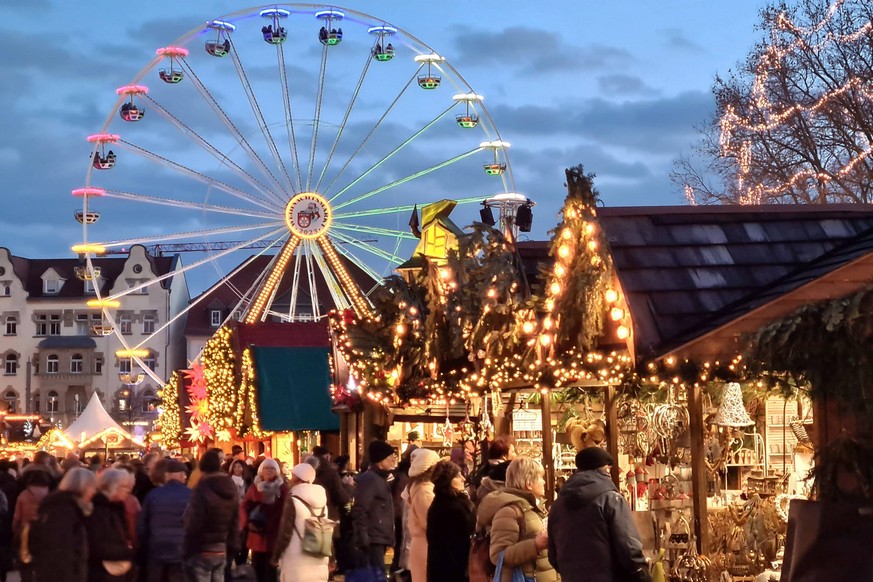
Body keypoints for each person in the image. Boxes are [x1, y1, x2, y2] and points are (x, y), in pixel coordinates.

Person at [548, 448, 650, 582]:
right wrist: (642, 573)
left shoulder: (557, 505)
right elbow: (628, 546)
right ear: (605, 470)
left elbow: (553, 556)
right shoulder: (611, 499)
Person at [476, 457, 556, 582]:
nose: (544, 482)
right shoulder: (509, 511)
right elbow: (498, 555)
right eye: (540, 478)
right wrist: (535, 545)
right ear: (529, 484)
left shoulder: (533, 507)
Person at [29, 467, 96, 582]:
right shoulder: (63, 509)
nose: (94, 492)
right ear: (83, 487)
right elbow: (60, 550)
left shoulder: (64, 506)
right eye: (92, 487)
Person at [183, 449, 241, 582]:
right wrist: (233, 543)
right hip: (222, 548)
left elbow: (193, 521)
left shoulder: (202, 488)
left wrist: (187, 549)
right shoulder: (230, 486)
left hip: (203, 548)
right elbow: (235, 518)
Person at [271, 462, 329, 581]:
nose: (290, 479)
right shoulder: (323, 503)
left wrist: (276, 555)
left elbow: (285, 532)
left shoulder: (293, 501)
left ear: (298, 478)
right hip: (319, 554)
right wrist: (331, 557)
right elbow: (327, 530)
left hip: (296, 557)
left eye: (293, 476)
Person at [137, 459, 192, 582]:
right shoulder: (190, 495)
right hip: (181, 549)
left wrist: (145, 545)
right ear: (181, 475)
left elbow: (142, 526)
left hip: (157, 548)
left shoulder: (153, 495)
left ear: (166, 475)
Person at [351, 440, 397, 577]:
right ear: (380, 460)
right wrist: (363, 537)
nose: (393, 460)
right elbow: (361, 509)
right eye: (390, 457)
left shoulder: (380, 479)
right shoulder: (371, 480)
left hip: (378, 536)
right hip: (373, 538)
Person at [426, 460, 475, 581]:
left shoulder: (441, 503)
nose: (463, 479)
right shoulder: (452, 507)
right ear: (449, 481)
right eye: (458, 476)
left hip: (440, 569)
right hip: (453, 571)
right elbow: (459, 544)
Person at [87, 468, 137, 581]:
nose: (128, 490)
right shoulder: (100, 511)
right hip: (103, 571)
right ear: (112, 487)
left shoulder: (114, 508)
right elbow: (98, 545)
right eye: (123, 486)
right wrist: (128, 553)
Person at [242, 458, 287, 582]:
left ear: (277, 471)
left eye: (272, 468)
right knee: (257, 567)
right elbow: (245, 505)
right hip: (256, 532)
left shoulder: (282, 487)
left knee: (271, 569)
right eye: (266, 468)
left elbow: (286, 508)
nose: (269, 470)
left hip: (274, 532)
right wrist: (246, 522)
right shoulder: (254, 486)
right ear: (261, 470)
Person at [404, 448, 439, 582]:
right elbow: (429, 522)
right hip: (425, 545)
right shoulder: (424, 490)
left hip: (423, 544)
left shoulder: (421, 487)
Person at [12, 469, 50, 582]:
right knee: (40, 560)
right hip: (43, 531)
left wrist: (15, 530)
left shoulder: (23, 495)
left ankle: (26, 578)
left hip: (25, 531)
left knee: (25, 561)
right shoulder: (49, 495)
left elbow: (17, 516)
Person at [469, 437, 515, 504]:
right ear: (504, 456)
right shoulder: (505, 471)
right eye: (513, 452)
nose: (515, 454)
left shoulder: (483, 468)